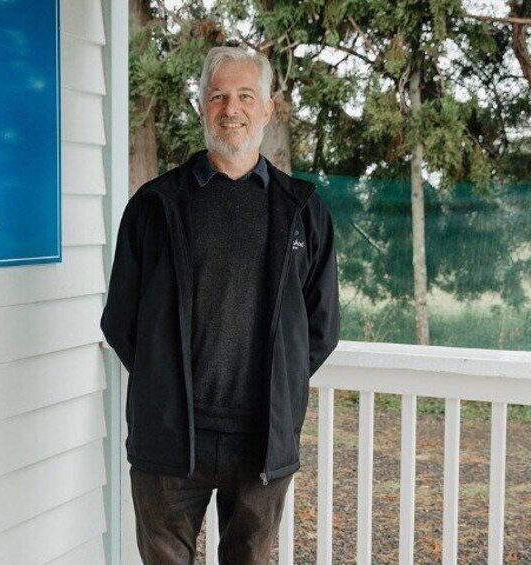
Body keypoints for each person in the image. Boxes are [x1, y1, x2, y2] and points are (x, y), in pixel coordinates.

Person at [101, 46, 340, 564]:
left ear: (268, 108)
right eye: (218, 96)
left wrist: (281, 386)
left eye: (245, 96)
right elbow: (121, 321)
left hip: (262, 442)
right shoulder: (154, 205)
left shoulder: (303, 211)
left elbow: (321, 328)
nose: (231, 108)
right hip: (168, 440)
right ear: (202, 107)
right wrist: (164, 385)